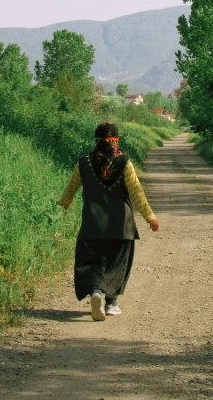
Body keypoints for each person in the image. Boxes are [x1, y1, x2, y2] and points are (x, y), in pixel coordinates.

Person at [56, 121, 159, 321]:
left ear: (96, 139)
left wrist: (64, 202)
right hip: (122, 226)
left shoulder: (84, 162)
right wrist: (150, 217)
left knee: (93, 261)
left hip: (93, 224)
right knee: (117, 264)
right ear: (116, 140)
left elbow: (72, 187)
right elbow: (137, 193)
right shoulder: (125, 162)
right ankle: (112, 303)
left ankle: (95, 291)